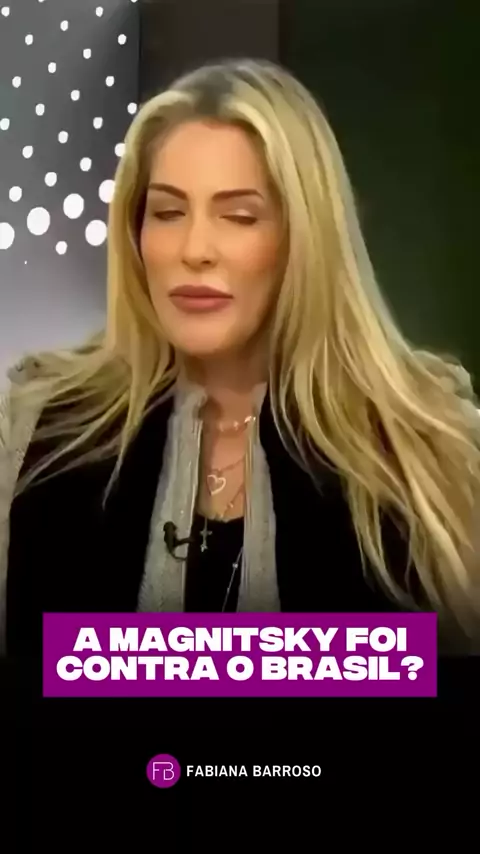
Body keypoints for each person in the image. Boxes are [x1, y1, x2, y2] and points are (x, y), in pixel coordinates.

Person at [1, 57, 479, 659]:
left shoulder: (431, 452)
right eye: (168, 212)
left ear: (304, 238)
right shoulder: (37, 433)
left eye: (239, 216)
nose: (195, 249)